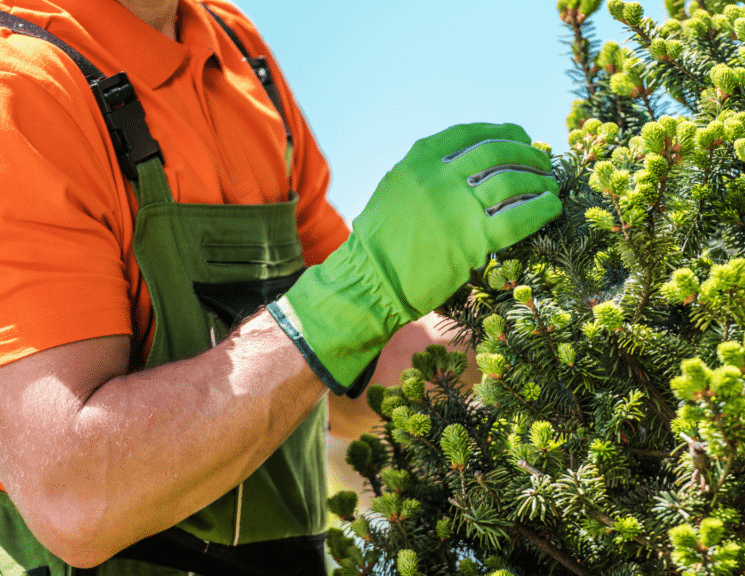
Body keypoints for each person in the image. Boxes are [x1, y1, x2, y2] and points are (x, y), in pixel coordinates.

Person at [0, 0, 562, 574]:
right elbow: (70, 493)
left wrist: (537, 323)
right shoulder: (21, 87)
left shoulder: (232, 46)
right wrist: (362, 288)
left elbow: (348, 375)